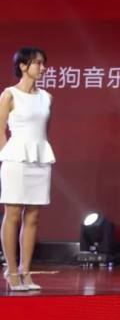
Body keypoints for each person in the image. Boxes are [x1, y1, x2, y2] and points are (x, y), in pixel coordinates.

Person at [0, 47, 55, 292]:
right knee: (13, 214)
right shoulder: (9, 95)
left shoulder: (47, 97)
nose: (42, 68)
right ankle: (12, 271)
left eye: (43, 63)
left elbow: (44, 130)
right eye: (37, 63)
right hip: (16, 160)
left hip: (40, 159)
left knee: (33, 216)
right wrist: (7, 156)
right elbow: (0, 130)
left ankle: (25, 270)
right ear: (23, 66)